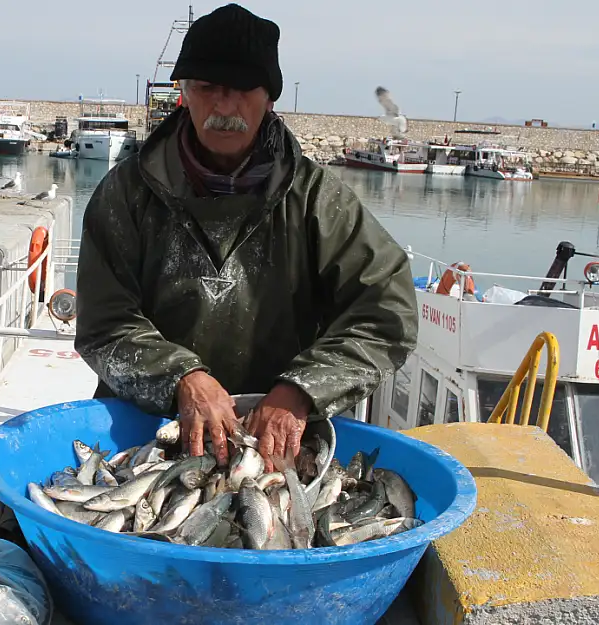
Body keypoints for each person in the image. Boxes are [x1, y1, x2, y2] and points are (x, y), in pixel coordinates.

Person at [73, 3, 419, 471]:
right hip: (146, 438)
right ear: (184, 93)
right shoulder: (125, 194)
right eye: (207, 88)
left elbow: (386, 314)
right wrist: (182, 378)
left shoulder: (318, 200)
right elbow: (104, 325)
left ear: (270, 97)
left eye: (241, 90)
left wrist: (301, 390)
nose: (223, 106)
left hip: (279, 445)